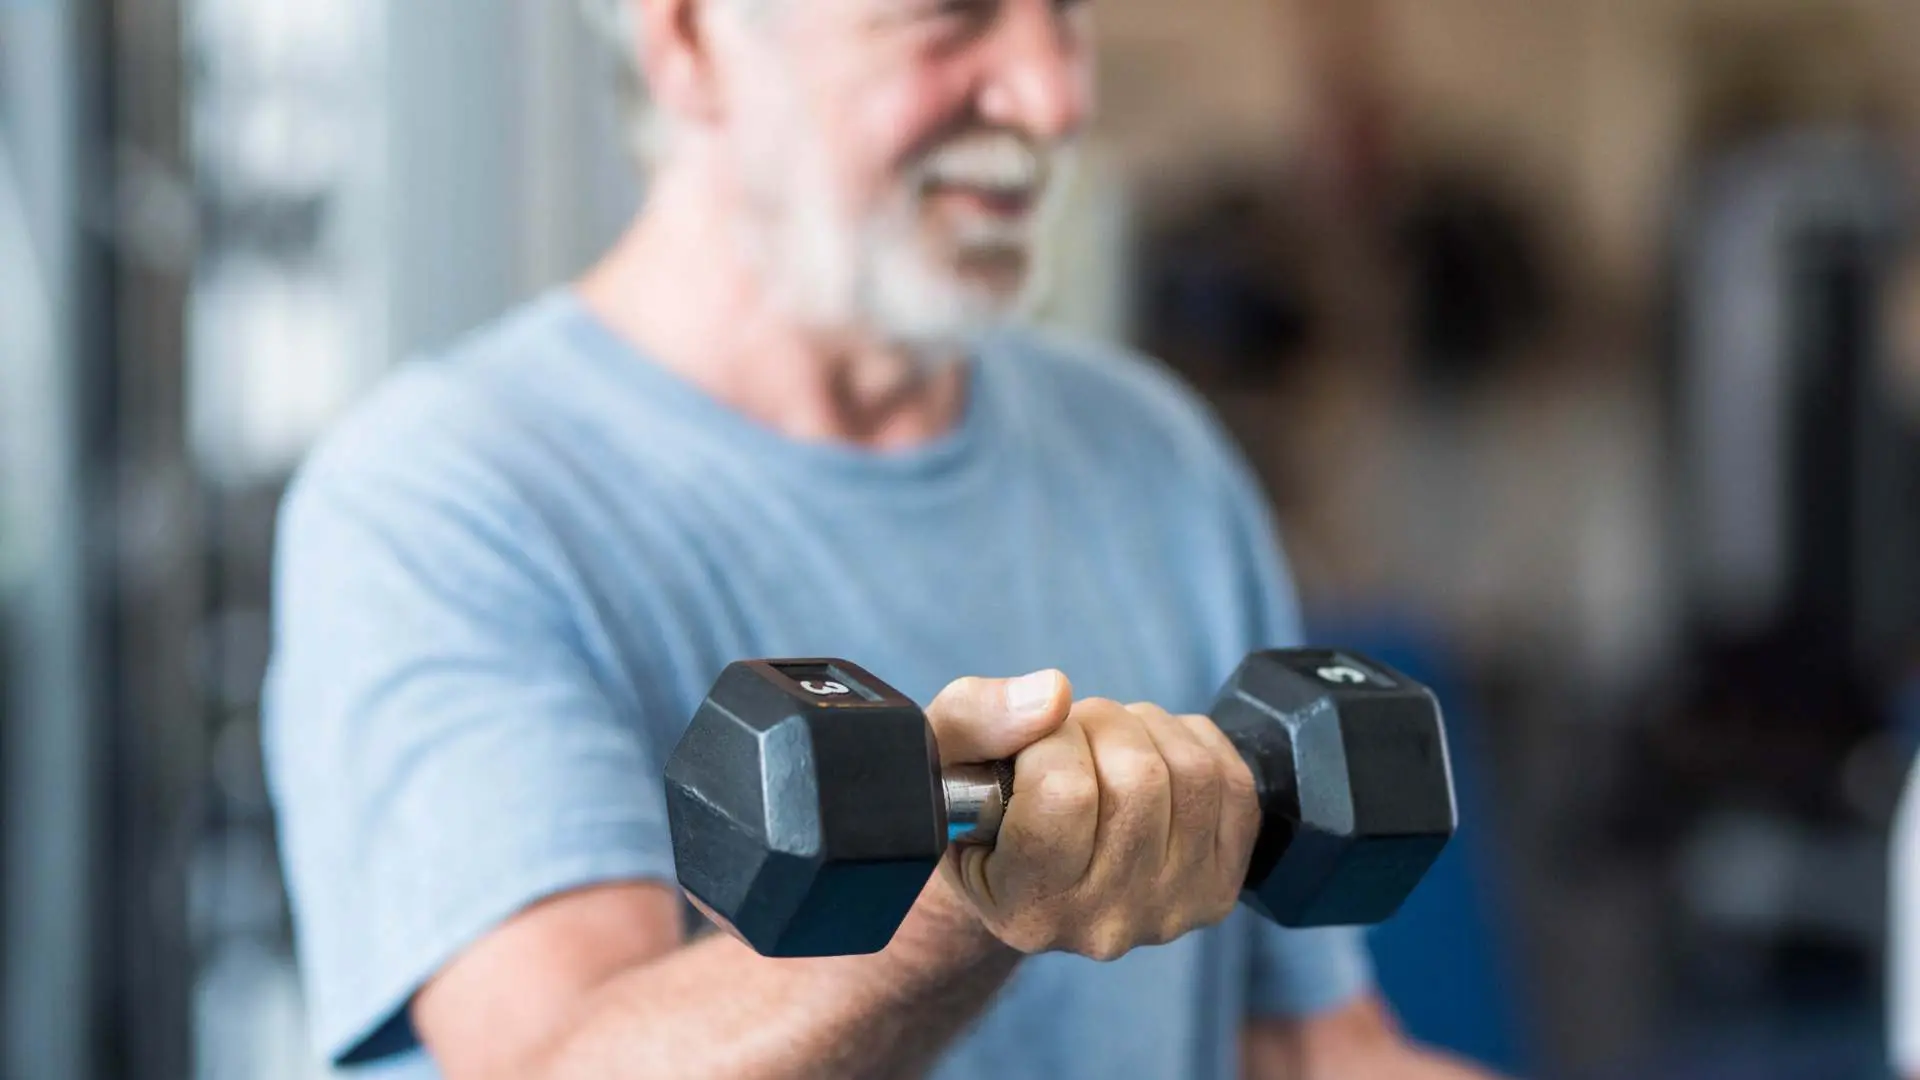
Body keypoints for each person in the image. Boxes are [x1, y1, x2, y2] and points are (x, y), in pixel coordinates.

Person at [263, 1, 1505, 1077]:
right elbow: (556, 1066)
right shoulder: (446, 495)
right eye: (948, 14)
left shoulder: (1155, 452)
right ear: (691, 37)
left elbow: (1303, 1053)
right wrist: (966, 908)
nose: (1053, 93)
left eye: (1064, 14)